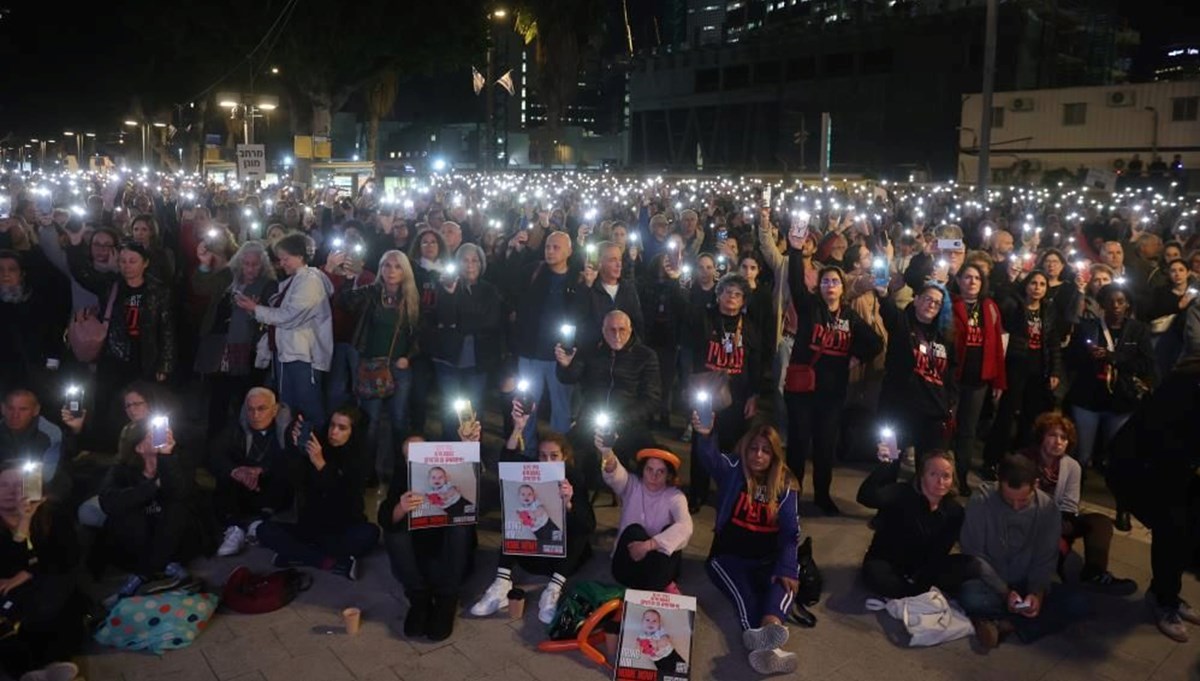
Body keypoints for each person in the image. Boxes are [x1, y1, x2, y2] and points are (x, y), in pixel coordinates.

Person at [694, 419, 800, 675]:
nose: (758, 455)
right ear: (745, 449)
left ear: (774, 454)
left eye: (765, 450)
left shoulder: (785, 484)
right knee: (745, 595)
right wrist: (706, 435)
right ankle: (768, 644)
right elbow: (710, 459)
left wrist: (786, 567)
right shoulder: (733, 469)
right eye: (754, 448)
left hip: (767, 558)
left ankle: (770, 630)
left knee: (786, 581)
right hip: (728, 557)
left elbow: (790, 533)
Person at [784, 242, 882, 514]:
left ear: (842, 288)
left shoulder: (849, 317)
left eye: (835, 282)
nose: (830, 286)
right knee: (798, 445)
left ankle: (822, 495)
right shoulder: (809, 308)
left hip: (832, 393)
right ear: (820, 286)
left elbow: (875, 343)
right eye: (825, 281)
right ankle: (792, 495)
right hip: (802, 391)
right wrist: (794, 250)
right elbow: (794, 281)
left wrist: (855, 358)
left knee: (825, 447)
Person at [470, 412, 596, 624]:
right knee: (515, 514)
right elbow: (507, 460)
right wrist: (518, 427)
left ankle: (553, 591)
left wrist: (569, 503)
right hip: (530, 553)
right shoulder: (531, 471)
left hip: (561, 559)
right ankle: (501, 583)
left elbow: (588, 525)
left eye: (554, 456)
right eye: (542, 455)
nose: (547, 461)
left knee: (578, 527)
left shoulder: (573, 477)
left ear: (564, 457)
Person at [959, 454, 1089, 648]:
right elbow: (975, 556)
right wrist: (1004, 592)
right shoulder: (981, 502)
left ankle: (1006, 624)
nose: (1015, 506)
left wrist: (1037, 594)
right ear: (999, 483)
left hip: (1026, 582)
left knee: (1079, 603)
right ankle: (1028, 623)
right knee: (969, 596)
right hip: (992, 583)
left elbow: (1045, 559)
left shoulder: (1047, 509)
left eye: (1023, 500)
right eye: (1009, 499)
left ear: (1035, 484)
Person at [67, 240, 175, 441]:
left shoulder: (157, 291)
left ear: (145, 263)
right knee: (108, 401)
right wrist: (74, 245)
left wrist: (165, 363)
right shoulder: (111, 286)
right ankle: (107, 443)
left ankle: (141, 443)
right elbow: (82, 275)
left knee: (142, 403)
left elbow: (166, 328)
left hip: (144, 355)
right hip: (113, 354)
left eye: (132, 261)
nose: (127, 266)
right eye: (123, 261)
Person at [1020, 412, 1136, 594]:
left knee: (1100, 522)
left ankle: (1094, 573)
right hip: (1028, 520)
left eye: (1063, 438)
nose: (1058, 442)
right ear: (1041, 437)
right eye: (1052, 435)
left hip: (1057, 520)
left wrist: (1064, 521)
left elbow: (1069, 504)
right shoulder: (1025, 460)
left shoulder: (1071, 466)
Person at [256, 407, 377, 580]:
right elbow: (293, 482)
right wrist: (293, 447)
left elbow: (346, 502)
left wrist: (322, 466)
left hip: (342, 529)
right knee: (263, 529)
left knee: (370, 533)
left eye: (342, 428)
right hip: (310, 528)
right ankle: (329, 562)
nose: (334, 432)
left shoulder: (360, 457)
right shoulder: (315, 447)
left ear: (353, 432)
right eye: (332, 425)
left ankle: (297, 555)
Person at [333, 249, 420, 480]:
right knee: (369, 423)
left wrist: (408, 357)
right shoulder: (372, 292)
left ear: (405, 271)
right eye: (387, 266)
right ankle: (366, 472)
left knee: (399, 420)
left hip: (399, 368)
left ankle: (401, 473)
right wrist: (350, 279)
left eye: (397, 266)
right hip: (370, 366)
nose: (391, 271)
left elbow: (418, 333)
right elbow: (344, 302)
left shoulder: (411, 297)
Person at [380, 436, 476, 641]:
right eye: (410, 457)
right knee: (393, 530)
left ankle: (446, 599)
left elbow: (473, 510)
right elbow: (385, 519)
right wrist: (401, 508)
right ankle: (419, 599)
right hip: (416, 566)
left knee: (460, 526)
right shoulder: (403, 480)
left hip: (450, 563)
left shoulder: (451, 484)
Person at [687, 274, 769, 511]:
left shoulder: (751, 328)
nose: (731, 297)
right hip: (706, 393)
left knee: (734, 447)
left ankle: (730, 491)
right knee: (701, 442)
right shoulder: (705, 319)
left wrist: (754, 395)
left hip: (739, 397)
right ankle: (698, 494)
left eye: (737, 294)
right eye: (727, 292)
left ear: (743, 300)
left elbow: (756, 364)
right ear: (718, 295)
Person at [235, 233, 332, 430]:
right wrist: (255, 309)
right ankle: (289, 450)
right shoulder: (293, 281)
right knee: (288, 408)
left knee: (308, 409)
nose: (282, 263)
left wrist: (256, 309)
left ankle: (312, 453)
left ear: (300, 256)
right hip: (287, 354)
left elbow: (289, 316)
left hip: (304, 356)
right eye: (280, 258)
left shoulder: (310, 282)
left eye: (286, 258)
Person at [97, 417, 199, 604]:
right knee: (129, 510)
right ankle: (157, 570)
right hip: (137, 541)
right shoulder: (121, 471)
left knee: (177, 507)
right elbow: (109, 502)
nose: (160, 438)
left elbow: (182, 493)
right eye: (152, 435)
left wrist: (166, 456)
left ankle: (144, 574)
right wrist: (153, 487)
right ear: (138, 447)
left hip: (171, 537)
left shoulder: (176, 459)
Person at [0, 462, 84, 678]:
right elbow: (7, 568)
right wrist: (22, 526)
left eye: (18, 485)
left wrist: (28, 572)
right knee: (13, 604)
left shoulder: (53, 513)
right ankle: (29, 669)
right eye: (4, 485)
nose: (11, 491)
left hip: (50, 584)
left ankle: (55, 662)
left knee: (54, 590)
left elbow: (67, 558)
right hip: (12, 592)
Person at [556, 310, 661, 482]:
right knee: (561, 454)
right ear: (603, 331)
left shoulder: (646, 356)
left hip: (628, 421)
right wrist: (565, 365)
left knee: (654, 460)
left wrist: (621, 419)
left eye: (622, 330)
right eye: (611, 330)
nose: (617, 335)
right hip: (591, 419)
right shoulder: (590, 350)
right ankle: (573, 498)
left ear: (631, 330)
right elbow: (568, 378)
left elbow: (652, 399)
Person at [857, 447, 976, 598]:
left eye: (946, 476)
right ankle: (912, 592)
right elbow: (865, 497)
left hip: (921, 565)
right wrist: (884, 465)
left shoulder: (955, 511)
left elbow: (941, 550)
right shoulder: (901, 493)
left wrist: (924, 576)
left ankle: (914, 590)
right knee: (877, 576)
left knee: (969, 566)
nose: (940, 482)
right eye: (933, 474)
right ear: (921, 476)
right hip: (888, 561)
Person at [508, 231, 585, 454]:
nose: (550, 251)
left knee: (561, 409)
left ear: (569, 251)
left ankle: (558, 455)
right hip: (530, 352)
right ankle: (528, 452)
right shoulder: (534, 272)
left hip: (560, 356)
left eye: (556, 247)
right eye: (548, 247)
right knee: (526, 406)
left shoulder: (577, 279)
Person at [193, 240, 277, 437]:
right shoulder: (228, 277)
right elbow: (201, 287)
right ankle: (213, 444)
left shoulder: (269, 285)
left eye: (254, 264)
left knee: (244, 399)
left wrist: (254, 310)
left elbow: (274, 316)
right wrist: (204, 264)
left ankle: (243, 443)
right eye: (246, 263)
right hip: (220, 347)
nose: (249, 268)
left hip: (248, 350)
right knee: (218, 397)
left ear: (262, 265)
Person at [983, 271, 1063, 474]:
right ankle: (993, 460)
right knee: (1006, 414)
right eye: (1033, 283)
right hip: (1015, 365)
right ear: (1026, 285)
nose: (1037, 287)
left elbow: (1053, 343)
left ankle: (1021, 459)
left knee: (1031, 417)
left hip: (1039, 369)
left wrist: (1054, 370)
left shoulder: (1049, 310)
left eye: (1042, 284)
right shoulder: (1014, 306)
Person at [877, 279, 957, 460]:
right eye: (928, 299)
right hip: (898, 409)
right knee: (888, 463)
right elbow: (890, 312)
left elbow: (951, 372)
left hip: (933, 413)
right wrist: (883, 294)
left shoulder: (944, 337)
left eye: (937, 303)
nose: (932, 305)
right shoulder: (902, 325)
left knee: (928, 468)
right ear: (917, 299)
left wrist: (949, 400)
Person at [208, 388, 294, 557]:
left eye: (261, 409)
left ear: (274, 409)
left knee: (286, 470)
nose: (255, 415)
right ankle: (236, 528)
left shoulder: (287, 428)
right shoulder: (237, 426)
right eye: (251, 409)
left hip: (270, 490)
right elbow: (214, 453)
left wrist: (261, 470)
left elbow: (292, 460)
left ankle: (258, 523)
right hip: (243, 487)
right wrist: (236, 471)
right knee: (225, 472)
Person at [430, 243, 502, 440]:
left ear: (481, 264)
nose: (470, 265)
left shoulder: (490, 290)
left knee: (475, 408)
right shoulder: (445, 286)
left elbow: (490, 322)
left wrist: (458, 321)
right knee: (449, 408)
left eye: (475, 260)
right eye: (465, 260)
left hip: (477, 360)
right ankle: (450, 450)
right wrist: (451, 296)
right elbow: (443, 320)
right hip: (448, 358)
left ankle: (472, 454)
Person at [600, 443, 692, 592]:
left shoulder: (675, 496)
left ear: (669, 475)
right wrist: (607, 452)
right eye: (649, 469)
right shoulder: (632, 485)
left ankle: (653, 586)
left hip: (658, 569)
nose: (653, 476)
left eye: (660, 471)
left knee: (672, 531)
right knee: (634, 531)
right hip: (627, 565)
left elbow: (685, 526)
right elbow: (615, 474)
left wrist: (648, 545)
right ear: (642, 470)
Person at [950, 263, 1006, 493]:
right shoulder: (949, 304)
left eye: (977, 278)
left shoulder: (990, 307)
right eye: (967, 277)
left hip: (978, 381)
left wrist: (999, 381)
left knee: (967, 431)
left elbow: (997, 349)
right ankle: (938, 475)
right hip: (952, 377)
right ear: (959, 280)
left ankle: (961, 476)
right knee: (945, 428)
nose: (972, 282)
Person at [0, 250, 67, 399]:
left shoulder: (38, 302)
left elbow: (52, 337)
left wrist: (51, 368)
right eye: (1, 270)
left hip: (35, 373)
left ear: (22, 273)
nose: (5, 274)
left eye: (11, 269)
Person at [638, 253, 689, 427]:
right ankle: (650, 413)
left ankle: (664, 412)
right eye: (662, 263)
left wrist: (675, 281)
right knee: (650, 377)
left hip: (669, 338)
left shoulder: (676, 285)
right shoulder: (646, 284)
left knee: (667, 378)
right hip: (650, 336)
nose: (665, 266)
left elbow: (683, 307)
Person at [0, 390, 63, 487]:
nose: (15, 415)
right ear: (3, 408)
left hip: (38, 489)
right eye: (10, 408)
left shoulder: (50, 433)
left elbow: (47, 477)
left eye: (23, 409)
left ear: (36, 410)